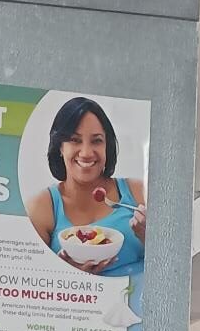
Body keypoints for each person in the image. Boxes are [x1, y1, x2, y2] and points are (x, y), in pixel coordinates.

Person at [27, 97, 146, 278]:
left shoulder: (139, 192)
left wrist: (151, 238)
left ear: (108, 145)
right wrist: (68, 276)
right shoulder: (42, 206)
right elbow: (27, 282)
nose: (86, 153)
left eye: (96, 141)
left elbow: (173, 264)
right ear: (60, 146)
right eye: (75, 140)